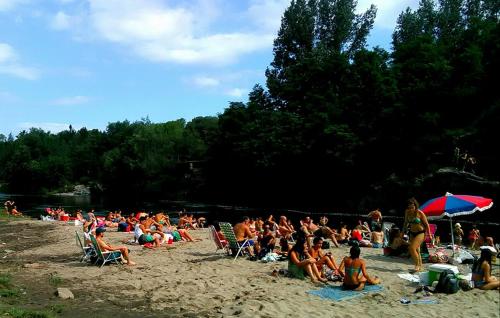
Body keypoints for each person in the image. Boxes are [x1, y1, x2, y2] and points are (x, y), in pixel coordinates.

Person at [403, 198, 432, 272]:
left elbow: (427, 225)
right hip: (412, 233)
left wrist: (430, 235)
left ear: (415, 206)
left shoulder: (420, 213)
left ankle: (416, 265)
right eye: (409, 207)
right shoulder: (407, 212)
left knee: (412, 248)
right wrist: (403, 232)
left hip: (421, 232)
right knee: (417, 251)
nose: (411, 209)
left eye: (412, 207)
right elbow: (405, 223)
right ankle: (420, 267)